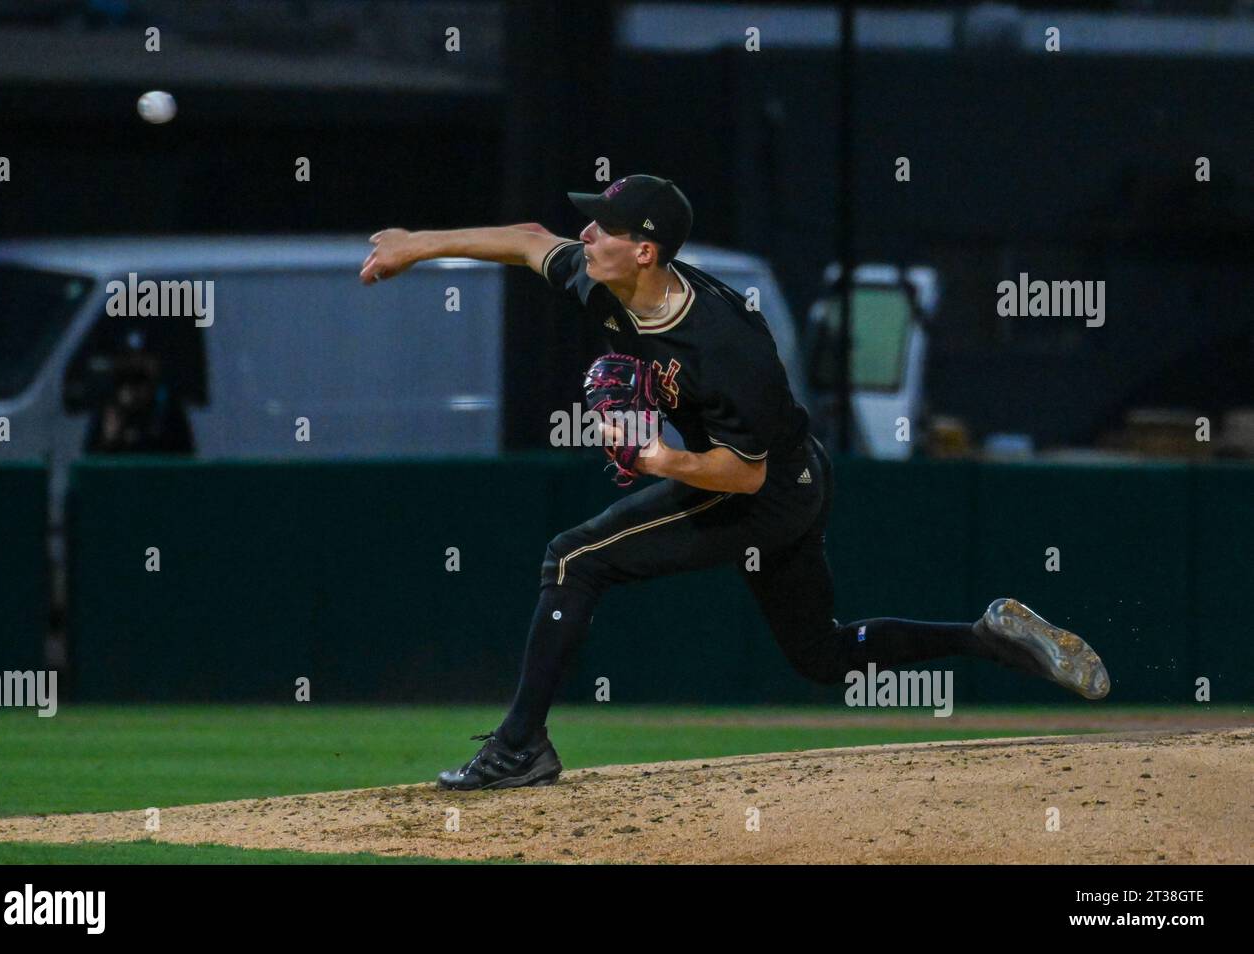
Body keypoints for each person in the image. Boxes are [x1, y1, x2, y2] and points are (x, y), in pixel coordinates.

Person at [360, 174, 1111, 792]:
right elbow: (529, 240)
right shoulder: (609, 285)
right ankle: (989, 639)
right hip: (791, 470)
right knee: (821, 655)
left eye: (603, 229)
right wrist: (414, 247)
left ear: (645, 249)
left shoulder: (722, 347)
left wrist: (658, 462)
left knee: (575, 558)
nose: (585, 236)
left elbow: (741, 473)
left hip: (761, 487)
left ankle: (520, 747)